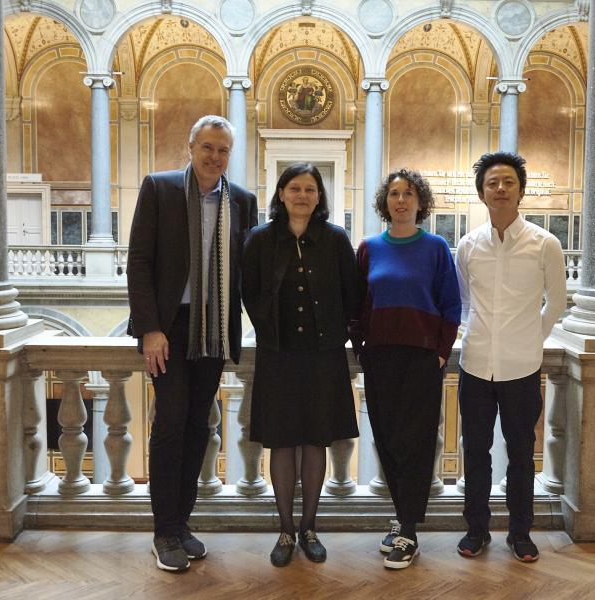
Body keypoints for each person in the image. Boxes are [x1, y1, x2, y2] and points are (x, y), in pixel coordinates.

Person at [127, 115, 257, 572]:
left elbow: (248, 273)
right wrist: (150, 328)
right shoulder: (159, 189)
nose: (215, 157)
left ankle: (182, 525)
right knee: (169, 425)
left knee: (198, 427)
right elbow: (139, 261)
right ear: (190, 146)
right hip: (169, 328)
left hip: (214, 327)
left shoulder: (242, 201)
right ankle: (163, 531)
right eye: (208, 147)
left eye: (223, 150)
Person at [242, 163, 359, 567]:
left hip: (323, 356)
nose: (303, 195)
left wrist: (338, 333)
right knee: (281, 441)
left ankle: (310, 527)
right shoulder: (260, 239)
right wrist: (267, 325)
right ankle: (285, 530)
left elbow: (352, 293)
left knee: (315, 440)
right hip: (278, 355)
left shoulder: (335, 239)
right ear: (281, 193)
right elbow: (249, 290)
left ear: (319, 197)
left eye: (311, 189)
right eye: (295, 188)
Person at [455, 151, 567, 563]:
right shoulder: (467, 246)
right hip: (475, 365)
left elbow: (556, 303)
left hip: (522, 368)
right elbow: (465, 303)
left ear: (521, 191)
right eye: (492, 183)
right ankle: (476, 529)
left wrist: (528, 341)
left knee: (521, 453)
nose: (500, 189)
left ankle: (521, 533)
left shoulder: (545, 244)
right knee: (477, 451)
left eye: (508, 182)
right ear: (482, 192)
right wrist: (475, 335)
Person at [350, 169, 461, 570]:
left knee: (415, 443)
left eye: (408, 193)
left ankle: (409, 532)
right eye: (394, 193)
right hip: (380, 358)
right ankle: (402, 516)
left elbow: (451, 305)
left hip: (421, 359)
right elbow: (358, 304)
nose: (401, 200)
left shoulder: (435, 247)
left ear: (420, 202)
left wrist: (440, 352)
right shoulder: (369, 248)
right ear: (385, 202)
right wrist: (361, 346)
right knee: (388, 438)